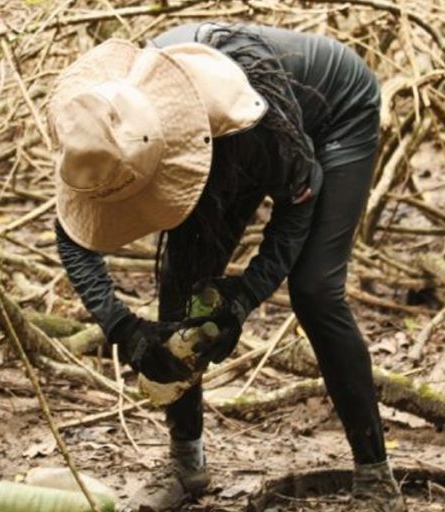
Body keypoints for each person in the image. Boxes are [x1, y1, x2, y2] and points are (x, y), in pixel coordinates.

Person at [47, 22, 404, 512]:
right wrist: (125, 329)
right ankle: (185, 463)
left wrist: (244, 297)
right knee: (180, 282)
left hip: (331, 112)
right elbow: (71, 236)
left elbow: (298, 200)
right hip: (220, 140)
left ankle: (376, 479)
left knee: (315, 290)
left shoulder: (251, 122)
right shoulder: (98, 132)